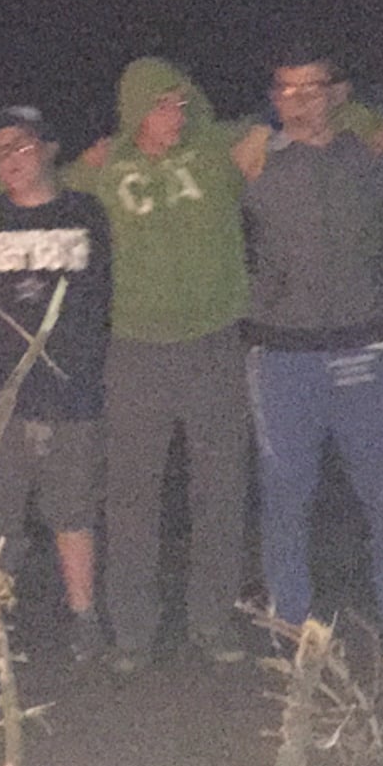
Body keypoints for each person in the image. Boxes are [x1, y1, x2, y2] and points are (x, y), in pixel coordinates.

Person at [65, 58, 265, 673]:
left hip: (213, 344)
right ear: (133, 111)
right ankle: (132, 630)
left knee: (220, 489)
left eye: (179, 102)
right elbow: (28, 189)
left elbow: (296, 115)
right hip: (134, 350)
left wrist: (367, 121)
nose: (173, 115)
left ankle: (212, 620)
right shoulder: (103, 168)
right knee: (130, 496)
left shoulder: (216, 150)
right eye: (160, 105)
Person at [239, 52, 383, 664]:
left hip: (368, 349)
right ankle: (291, 628)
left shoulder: (374, 152)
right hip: (282, 355)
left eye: (313, 88)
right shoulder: (253, 160)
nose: (300, 101)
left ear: (338, 92)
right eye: (287, 90)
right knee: (285, 498)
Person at [0, 106, 111, 664]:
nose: (10, 159)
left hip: (72, 391)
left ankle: (84, 619)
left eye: (21, 146)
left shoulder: (87, 211)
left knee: (73, 511)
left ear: (48, 149)